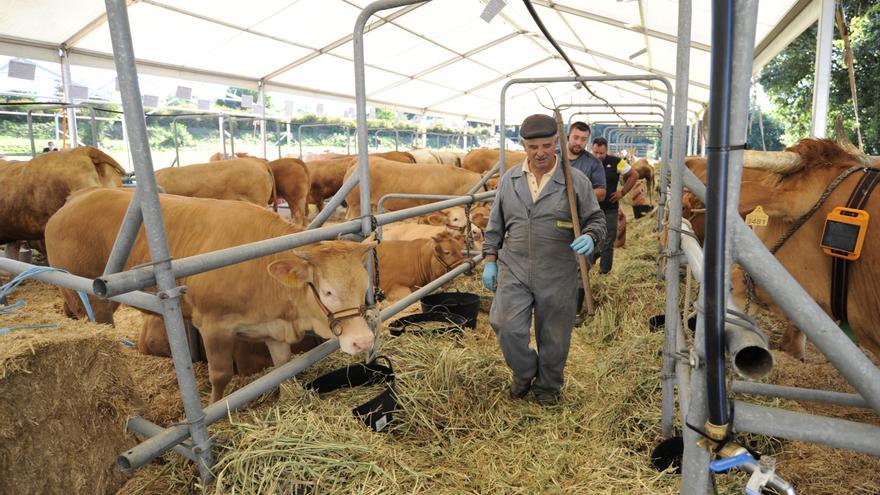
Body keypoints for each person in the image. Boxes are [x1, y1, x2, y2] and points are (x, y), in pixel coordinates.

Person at [481, 114, 606, 405]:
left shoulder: (575, 181)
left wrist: (591, 236)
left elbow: (597, 220)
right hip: (515, 267)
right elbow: (495, 226)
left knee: (554, 336)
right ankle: (524, 371)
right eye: (533, 146)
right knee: (504, 324)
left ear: (557, 144)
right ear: (523, 145)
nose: (540, 153)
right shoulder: (509, 180)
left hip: (559, 268)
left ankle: (548, 387)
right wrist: (489, 259)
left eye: (547, 145)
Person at [591, 137, 637, 274]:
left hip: (610, 207)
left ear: (607, 151)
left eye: (602, 153)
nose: (598, 156)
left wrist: (622, 192)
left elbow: (634, 174)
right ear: (591, 150)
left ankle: (604, 271)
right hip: (590, 208)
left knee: (609, 239)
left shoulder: (617, 162)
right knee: (591, 237)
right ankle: (589, 261)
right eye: (596, 152)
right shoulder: (587, 161)